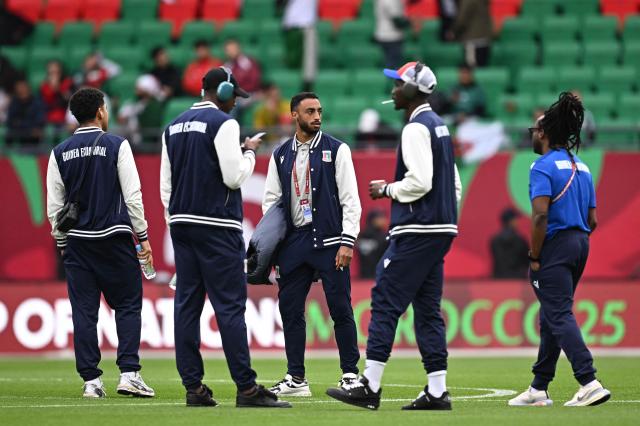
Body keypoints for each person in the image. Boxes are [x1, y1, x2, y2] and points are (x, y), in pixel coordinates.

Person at [327, 61, 462, 411]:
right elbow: (454, 186)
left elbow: (421, 182)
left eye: (399, 84)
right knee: (428, 309)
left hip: (417, 230)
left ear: (415, 90)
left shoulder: (416, 128)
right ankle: (436, 390)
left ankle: (369, 385)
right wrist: (442, 215)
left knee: (385, 299)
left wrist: (387, 189)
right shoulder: (441, 127)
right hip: (440, 228)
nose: (394, 90)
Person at [160, 66, 290, 409]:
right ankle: (246, 388)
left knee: (186, 305)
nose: (236, 103)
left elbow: (165, 185)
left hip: (181, 224)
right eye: (234, 96)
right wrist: (248, 152)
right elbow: (234, 179)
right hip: (217, 226)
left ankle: (194, 388)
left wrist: (175, 221)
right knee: (230, 307)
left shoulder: (172, 126)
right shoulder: (224, 123)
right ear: (222, 91)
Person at [45, 87, 155, 398]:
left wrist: (63, 242)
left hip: (78, 243)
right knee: (128, 306)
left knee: (83, 311)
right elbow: (133, 197)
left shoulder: (59, 152)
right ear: (101, 112)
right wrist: (143, 237)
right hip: (114, 238)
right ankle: (129, 374)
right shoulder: (117, 145)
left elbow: (55, 207)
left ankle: (91, 382)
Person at [508, 92, 610, 407]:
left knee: (558, 313)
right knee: (553, 313)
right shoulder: (582, 166)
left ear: (545, 133)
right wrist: (574, 239)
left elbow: (540, 216)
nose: (533, 135)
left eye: (535, 131)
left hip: (555, 245)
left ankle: (588, 380)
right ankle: (539, 387)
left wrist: (536, 256)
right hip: (580, 244)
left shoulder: (542, 166)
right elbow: (593, 219)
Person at [262, 92, 362, 397]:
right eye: (310, 111)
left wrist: (348, 241)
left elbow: (351, 200)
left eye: (319, 110)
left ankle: (350, 374)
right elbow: (271, 202)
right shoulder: (280, 155)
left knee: (341, 308)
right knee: (290, 311)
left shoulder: (337, 149)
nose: (317, 116)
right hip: (293, 243)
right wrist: (274, 247)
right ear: (294, 115)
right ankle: (296, 378)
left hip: (330, 241)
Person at [117, 74, 165, 145]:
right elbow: (120, 119)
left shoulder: (156, 105)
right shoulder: (132, 104)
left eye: (139, 89)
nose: (136, 91)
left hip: (150, 141)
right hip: (132, 141)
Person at [282, 0, 318, 90]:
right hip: (292, 24)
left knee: (309, 57)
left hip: (306, 23)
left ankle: (307, 83)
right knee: (293, 60)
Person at [490, 208, 529, 279]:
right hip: (518, 279)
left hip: (498, 279)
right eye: (515, 219)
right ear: (511, 221)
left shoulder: (494, 240)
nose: (517, 222)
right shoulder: (520, 240)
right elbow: (527, 261)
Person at [451, 0, 492, 67]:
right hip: (485, 39)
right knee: (482, 69)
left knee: (472, 69)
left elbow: (462, 19)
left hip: (472, 40)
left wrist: (453, 31)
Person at [7, 78, 46, 146]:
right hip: (18, 133)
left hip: (33, 136)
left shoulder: (36, 102)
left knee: (37, 132)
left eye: (23, 86)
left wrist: (21, 124)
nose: (21, 88)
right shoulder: (14, 103)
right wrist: (27, 126)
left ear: (28, 87)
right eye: (19, 86)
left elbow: (39, 120)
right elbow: (11, 120)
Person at [374, 0, 409, 68]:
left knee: (391, 63)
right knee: (393, 65)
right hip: (391, 36)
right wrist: (411, 22)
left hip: (384, 34)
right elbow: (397, 22)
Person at [356, 209, 389, 279]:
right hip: (365, 277)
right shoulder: (364, 235)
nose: (383, 220)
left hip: (380, 275)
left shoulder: (386, 236)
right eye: (380, 218)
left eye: (383, 217)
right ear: (373, 219)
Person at [40, 60, 74, 128]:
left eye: (56, 72)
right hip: (49, 119)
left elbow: (70, 100)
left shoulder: (68, 83)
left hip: (66, 117)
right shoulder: (44, 86)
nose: (54, 75)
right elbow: (44, 104)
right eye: (52, 73)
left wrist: (59, 89)